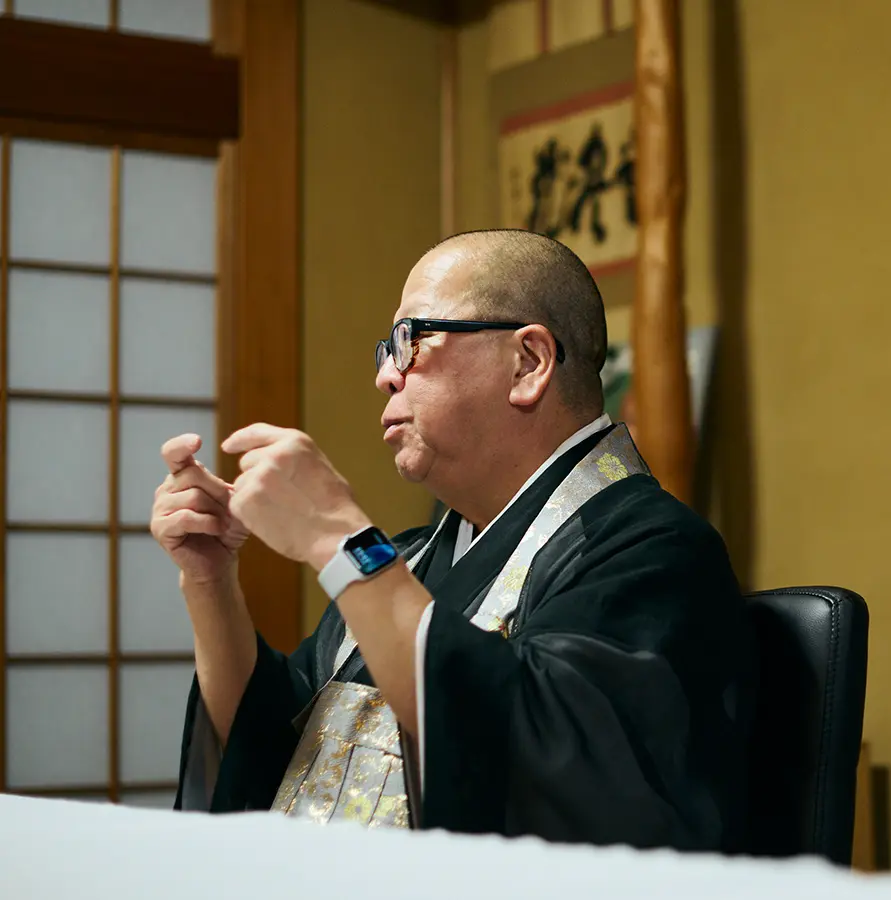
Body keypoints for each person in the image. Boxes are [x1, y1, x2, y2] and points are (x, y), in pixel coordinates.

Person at [159, 229, 755, 852]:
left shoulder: (652, 551)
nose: (386, 376)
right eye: (386, 350)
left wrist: (340, 538)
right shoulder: (410, 559)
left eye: (411, 341)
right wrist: (209, 580)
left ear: (528, 363)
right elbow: (275, 750)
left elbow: (550, 775)